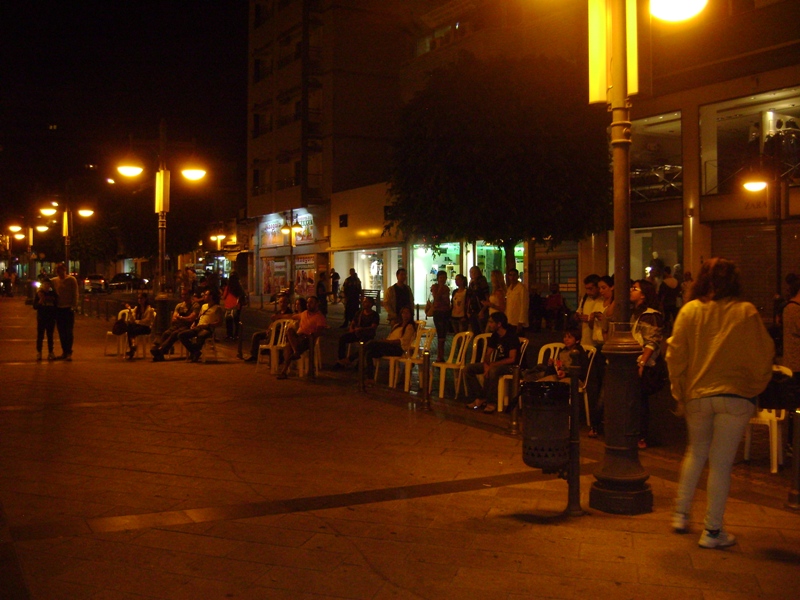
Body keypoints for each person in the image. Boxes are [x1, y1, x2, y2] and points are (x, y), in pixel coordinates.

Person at [667, 258, 774, 549]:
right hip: (735, 395)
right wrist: (754, 387)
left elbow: (675, 354)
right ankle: (713, 531)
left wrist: (680, 391)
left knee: (695, 452)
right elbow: (763, 355)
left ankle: (681, 514)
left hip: (698, 395)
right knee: (721, 464)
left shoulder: (690, 310)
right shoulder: (745, 312)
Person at [464, 311, 521, 414]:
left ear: (499, 324)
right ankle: (480, 397)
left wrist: (492, 365)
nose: (489, 324)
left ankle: (491, 402)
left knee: (493, 371)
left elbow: (512, 359)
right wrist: (487, 365)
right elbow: (488, 354)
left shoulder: (511, 336)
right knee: (468, 369)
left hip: (512, 366)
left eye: (491, 322)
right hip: (497, 364)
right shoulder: (495, 335)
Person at [631, 279, 665, 449]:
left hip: (646, 364)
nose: (631, 290)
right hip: (637, 362)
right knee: (636, 400)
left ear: (644, 295)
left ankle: (642, 436)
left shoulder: (650, 315)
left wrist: (642, 363)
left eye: (635, 288)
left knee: (641, 401)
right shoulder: (636, 313)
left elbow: (652, 342)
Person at [588, 275, 615, 437]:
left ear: (612, 287)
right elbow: (593, 326)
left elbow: (608, 325)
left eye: (604, 287)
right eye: (600, 288)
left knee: (606, 387)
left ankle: (598, 422)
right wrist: (592, 319)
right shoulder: (598, 302)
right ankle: (596, 421)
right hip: (597, 345)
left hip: (609, 347)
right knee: (596, 385)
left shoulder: (616, 304)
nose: (601, 291)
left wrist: (604, 318)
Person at [277, 296, 328, 379]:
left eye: (311, 302)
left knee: (289, 346)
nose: (308, 304)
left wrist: (310, 335)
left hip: (308, 339)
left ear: (316, 304)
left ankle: (284, 371)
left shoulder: (319, 317)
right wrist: (278, 316)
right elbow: (291, 316)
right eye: (307, 302)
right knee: (290, 331)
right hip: (298, 338)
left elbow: (318, 332)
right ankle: (295, 352)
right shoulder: (304, 313)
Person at [364, 306, 417, 378]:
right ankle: (369, 377)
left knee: (371, 343)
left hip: (397, 349)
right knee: (369, 353)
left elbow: (402, 341)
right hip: (389, 345)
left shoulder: (409, 327)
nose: (405, 315)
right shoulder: (397, 325)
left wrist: (387, 342)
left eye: (407, 313)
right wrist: (385, 341)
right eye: (403, 313)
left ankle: (352, 358)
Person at [151, 288, 201, 361]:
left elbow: (191, 318)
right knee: (166, 333)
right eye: (182, 294)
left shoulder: (195, 305)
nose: (183, 296)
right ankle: (159, 352)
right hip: (178, 325)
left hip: (188, 326)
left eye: (185, 294)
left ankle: (160, 351)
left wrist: (180, 318)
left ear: (190, 295)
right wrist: (183, 318)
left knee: (174, 334)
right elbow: (174, 319)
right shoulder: (179, 305)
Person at [178, 288, 224, 362]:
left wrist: (208, 325)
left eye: (206, 295)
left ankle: (194, 353)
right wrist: (194, 323)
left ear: (211, 296)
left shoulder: (217, 308)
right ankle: (195, 352)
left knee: (201, 335)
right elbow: (199, 317)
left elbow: (220, 322)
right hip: (199, 327)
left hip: (208, 328)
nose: (204, 296)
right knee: (181, 335)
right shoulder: (204, 306)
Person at [243, 294, 293, 362]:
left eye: (284, 302)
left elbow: (289, 318)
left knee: (274, 334)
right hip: (272, 331)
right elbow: (273, 323)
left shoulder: (289, 312)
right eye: (280, 302)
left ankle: (268, 348)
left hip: (280, 333)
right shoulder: (278, 312)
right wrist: (269, 329)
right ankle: (254, 355)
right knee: (256, 335)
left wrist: (279, 317)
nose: (282, 304)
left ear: (287, 303)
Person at [335, 295, 380, 368]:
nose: (364, 303)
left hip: (367, 335)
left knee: (363, 345)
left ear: (371, 304)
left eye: (366, 302)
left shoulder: (374, 315)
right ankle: (341, 359)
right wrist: (351, 328)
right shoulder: (359, 313)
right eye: (364, 302)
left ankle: (354, 361)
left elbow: (373, 327)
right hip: (357, 333)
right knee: (342, 338)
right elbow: (353, 322)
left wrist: (362, 329)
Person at [52, 263, 79, 360]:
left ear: (64, 270)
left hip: (68, 308)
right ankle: (64, 351)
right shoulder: (54, 281)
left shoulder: (71, 280)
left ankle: (69, 352)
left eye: (61, 270)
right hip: (59, 309)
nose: (60, 272)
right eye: (58, 270)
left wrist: (74, 306)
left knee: (68, 331)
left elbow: (75, 293)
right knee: (61, 331)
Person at [122, 293, 155, 360]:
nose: (139, 300)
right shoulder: (137, 308)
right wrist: (130, 311)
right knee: (130, 327)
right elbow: (132, 320)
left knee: (130, 330)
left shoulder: (149, 309)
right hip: (137, 327)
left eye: (141, 298)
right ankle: (133, 346)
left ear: (145, 299)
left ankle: (132, 347)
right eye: (138, 298)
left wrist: (137, 321)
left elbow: (147, 321)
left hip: (145, 327)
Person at [575, 274, 604, 349]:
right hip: (585, 341)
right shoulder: (585, 298)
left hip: (599, 342)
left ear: (598, 287)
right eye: (586, 289)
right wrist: (578, 316)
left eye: (591, 289)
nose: (588, 292)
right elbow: (579, 311)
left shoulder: (604, 300)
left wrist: (589, 318)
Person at [33, 276, 58, 361]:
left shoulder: (53, 294)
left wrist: (55, 316)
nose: (46, 286)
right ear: (42, 285)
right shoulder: (39, 294)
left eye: (48, 284)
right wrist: (40, 301)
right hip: (41, 318)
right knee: (40, 336)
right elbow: (35, 306)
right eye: (45, 284)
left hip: (51, 318)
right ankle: (39, 352)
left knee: (50, 336)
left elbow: (56, 305)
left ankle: (50, 352)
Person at [429, 270, 451, 362]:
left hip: (446, 312)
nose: (442, 279)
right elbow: (436, 298)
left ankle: (441, 355)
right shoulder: (435, 287)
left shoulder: (446, 288)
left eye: (444, 277)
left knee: (443, 334)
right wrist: (441, 288)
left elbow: (447, 301)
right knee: (440, 334)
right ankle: (439, 356)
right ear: (437, 278)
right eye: (441, 277)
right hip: (438, 312)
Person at [465, 266, 489, 334]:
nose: (472, 274)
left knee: (482, 330)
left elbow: (486, 297)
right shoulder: (471, 283)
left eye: (474, 272)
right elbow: (470, 297)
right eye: (471, 272)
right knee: (475, 330)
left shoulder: (481, 282)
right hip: (473, 310)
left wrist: (483, 310)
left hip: (480, 308)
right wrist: (468, 310)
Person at [221, 271, 245, 340]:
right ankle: (236, 334)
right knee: (236, 320)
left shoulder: (228, 288)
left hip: (228, 306)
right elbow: (242, 295)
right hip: (237, 306)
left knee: (229, 321)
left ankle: (229, 335)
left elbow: (224, 296)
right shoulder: (239, 287)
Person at [505, 268, 528, 336]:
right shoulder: (509, 288)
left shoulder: (521, 288)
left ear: (517, 276)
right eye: (510, 275)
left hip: (517, 320)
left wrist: (521, 321)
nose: (512, 277)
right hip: (510, 319)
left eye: (514, 275)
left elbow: (524, 305)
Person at [659, 266, 681, 330]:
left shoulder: (664, 283)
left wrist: (660, 303)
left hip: (666, 303)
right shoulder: (676, 281)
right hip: (675, 302)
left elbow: (661, 294)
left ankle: (667, 329)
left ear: (665, 272)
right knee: (675, 317)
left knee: (667, 317)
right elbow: (679, 291)